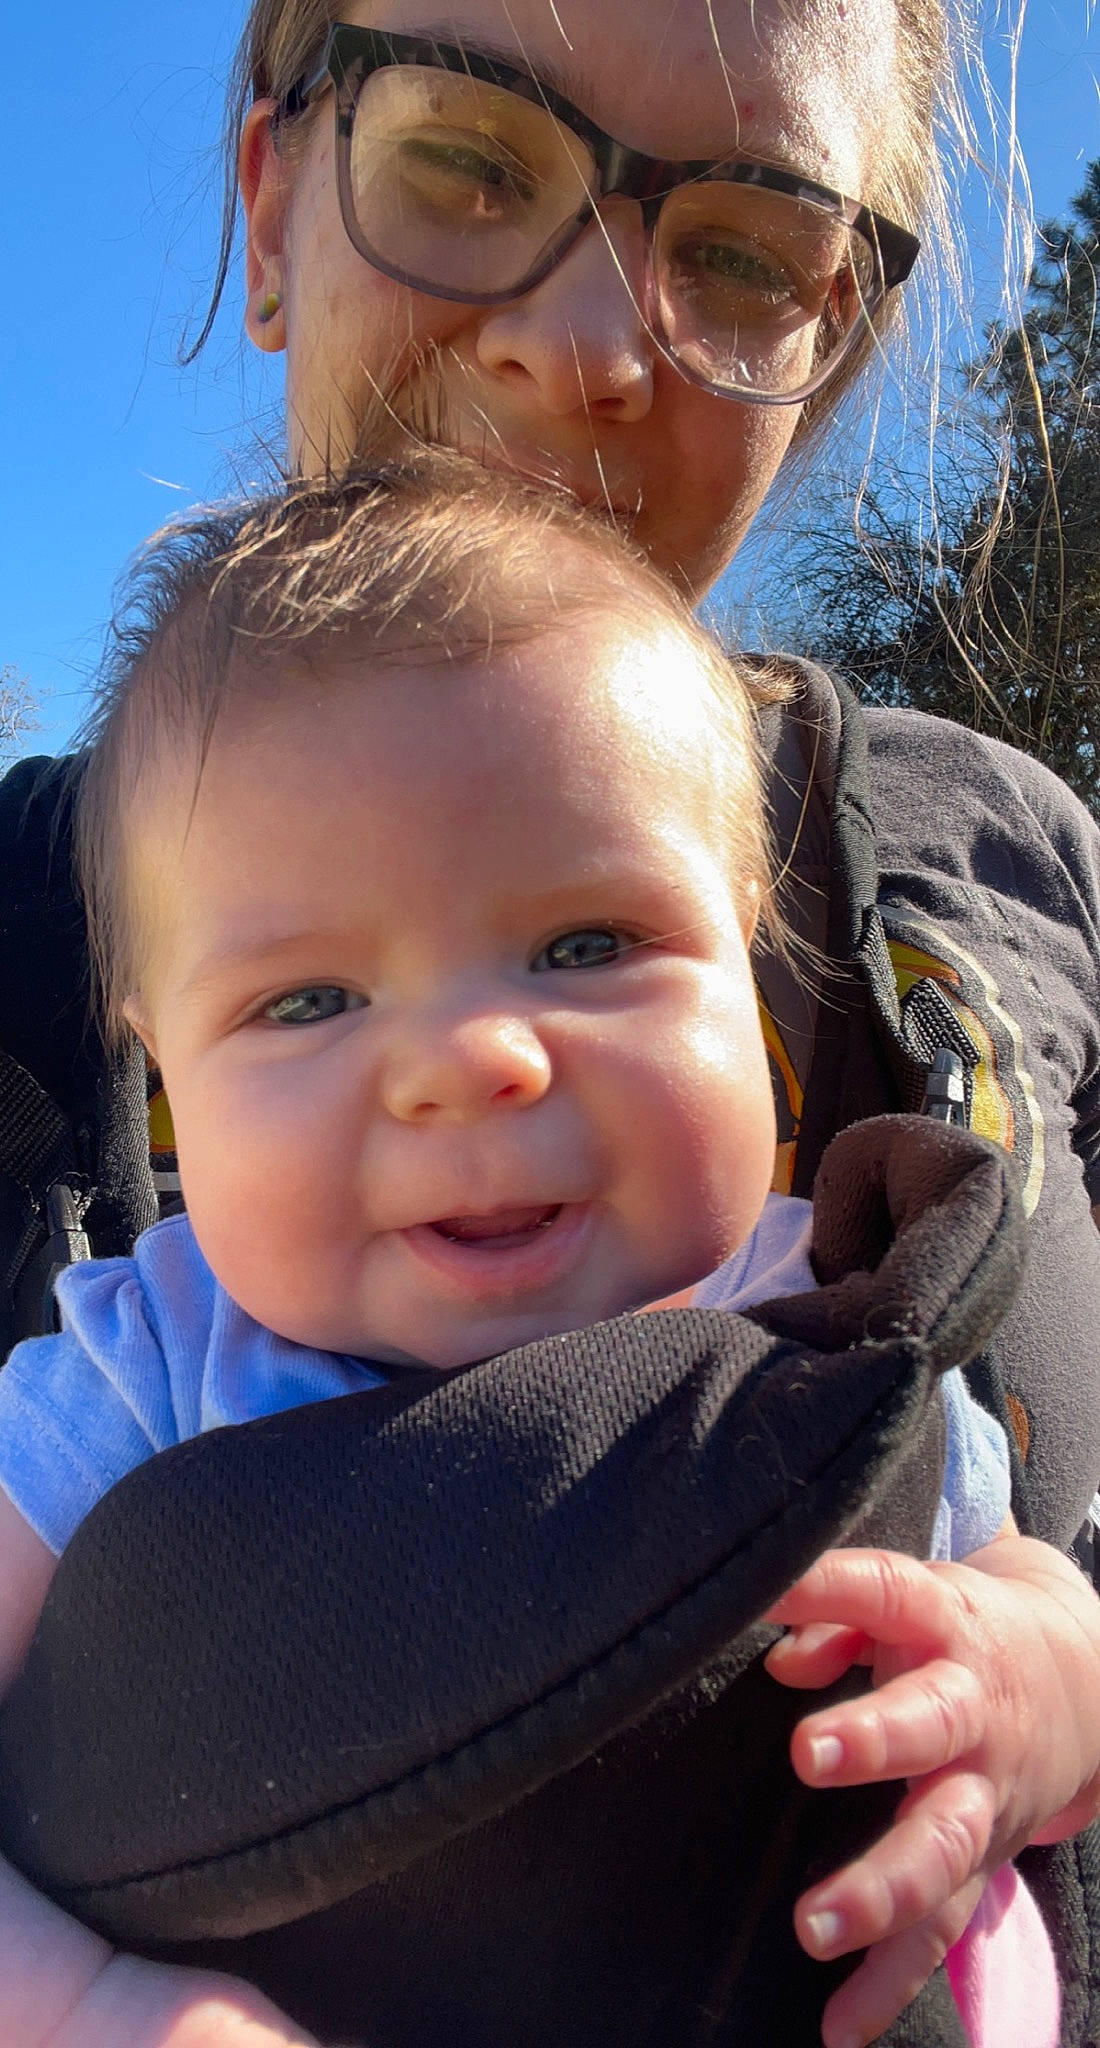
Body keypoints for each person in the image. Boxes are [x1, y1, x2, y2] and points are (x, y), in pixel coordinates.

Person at [0, 462, 1097, 2048]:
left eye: (588, 946)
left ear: (746, 951)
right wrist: (90, 2007)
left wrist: (1047, 1686)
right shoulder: (138, 1375)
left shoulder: (834, 1315)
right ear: (158, 1054)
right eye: (308, 1001)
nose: (473, 1062)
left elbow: (1028, 1587)